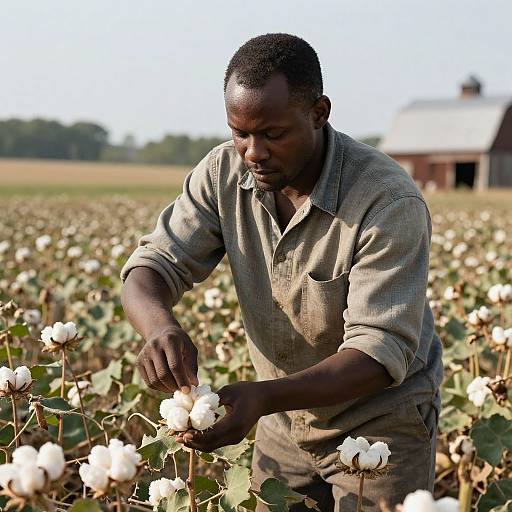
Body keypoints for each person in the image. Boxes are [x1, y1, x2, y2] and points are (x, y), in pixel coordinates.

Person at [120, 33, 443, 511]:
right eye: (240, 132)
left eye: (273, 134)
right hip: (281, 420)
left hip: (379, 422)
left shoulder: (386, 201)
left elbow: (378, 351)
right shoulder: (222, 174)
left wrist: (262, 398)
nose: (253, 152)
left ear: (319, 112)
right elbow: (150, 267)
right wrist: (159, 327)